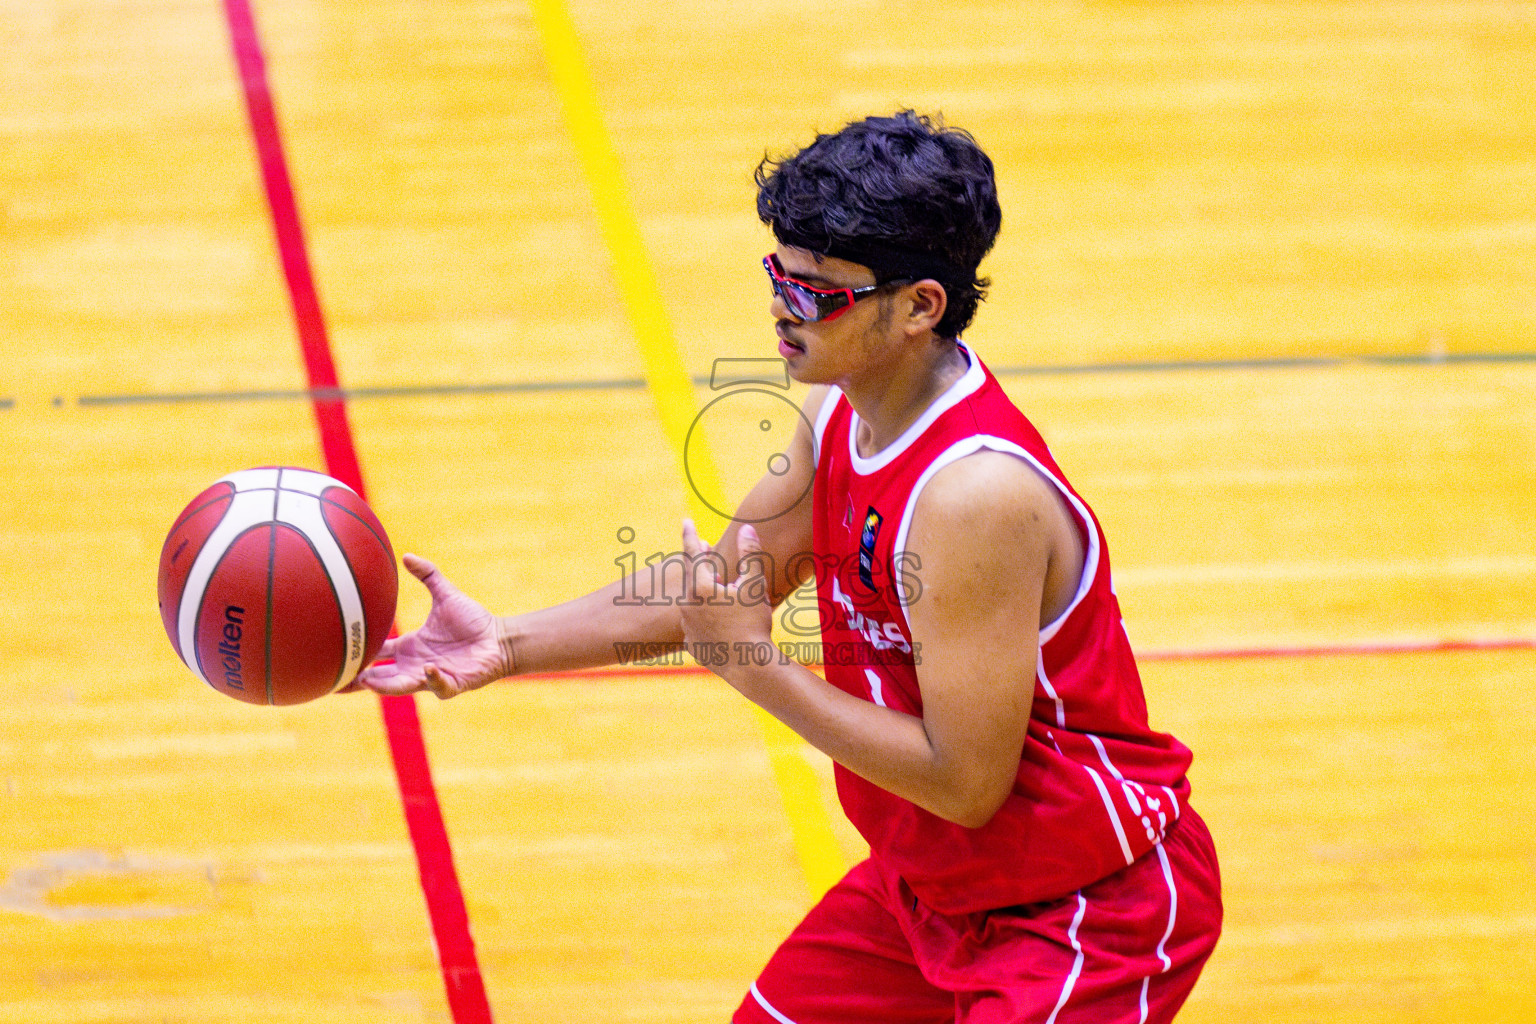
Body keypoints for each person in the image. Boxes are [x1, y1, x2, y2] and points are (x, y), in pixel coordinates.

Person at [356, 111, 1222, 1023]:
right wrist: (505, 642)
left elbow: (968, 785)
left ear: (921, 306)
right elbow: (720, 590)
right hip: (931, 891)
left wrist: (753, 668)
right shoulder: (838, 412)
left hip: (1080, 911)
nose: (782, 306)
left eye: (818, 291)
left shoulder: (973, 498)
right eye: (780, 274)